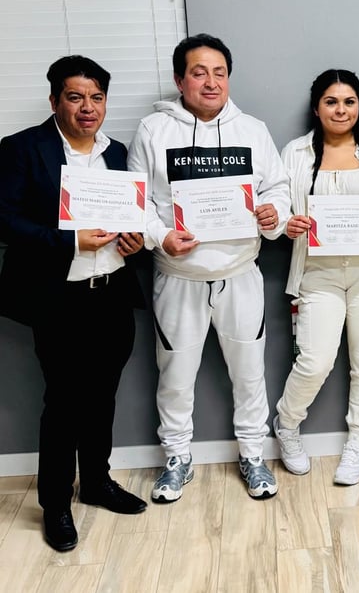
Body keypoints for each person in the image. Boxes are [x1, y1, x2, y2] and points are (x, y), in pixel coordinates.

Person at [127, 33, 290, 502]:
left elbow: (277, 188)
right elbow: (138, 204)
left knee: (250, 371)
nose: (211, 82)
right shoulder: (154, 131)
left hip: (241, 274)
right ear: (181, 79)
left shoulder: (253, 130)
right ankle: (177, 458)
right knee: (175, 375)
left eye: (219, 72)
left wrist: (271, 213)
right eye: (199, 72)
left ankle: (253, 454)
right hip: (178, 277)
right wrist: (161, 237)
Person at [0, 56, 147, 552]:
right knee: (63, 402)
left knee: (102, 394)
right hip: (58, 297)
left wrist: (133, 242)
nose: (88, 108)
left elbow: (131, 215)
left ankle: (98, 483)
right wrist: (69, 241)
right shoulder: (23, 149)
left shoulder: (118, 152)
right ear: (54, 101)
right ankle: (56, 504)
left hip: (111, 293)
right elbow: (5, 223)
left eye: (97, 97)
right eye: (75, 97)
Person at [272, 69, 359, 486]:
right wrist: (286, 224)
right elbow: (278, 205)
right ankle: (287, 425)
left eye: (349, 101)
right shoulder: (295, 153)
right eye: (331, 101)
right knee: (315, 360)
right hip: (318, 274)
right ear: (317, 108)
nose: (340, 109)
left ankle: (357, 445)